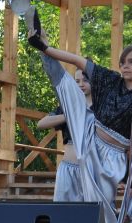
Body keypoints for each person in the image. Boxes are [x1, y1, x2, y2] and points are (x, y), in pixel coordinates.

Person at [25, 6, 132, 223]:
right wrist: (46, 49)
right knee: (68, 90)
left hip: (112, 155)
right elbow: (78, 60)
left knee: (100, 210)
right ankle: (41, 42)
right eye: (122, 62)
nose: (125, 66)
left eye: (131, 62)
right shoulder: (111, 79)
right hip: (89, 132)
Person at [37, 68, 92, 202]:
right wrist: (69, 115)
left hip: (92, 171)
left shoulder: (102, 108)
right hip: (68, 170)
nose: (81, 84)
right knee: (62, 211)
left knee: (92, 211)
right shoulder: (68, 106)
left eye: (85, 80)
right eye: (77, 81)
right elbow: (41, 124)